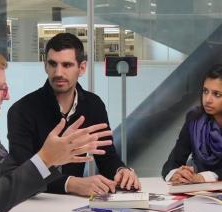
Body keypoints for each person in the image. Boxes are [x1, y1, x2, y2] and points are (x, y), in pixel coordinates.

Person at [0, 45, 111, 212]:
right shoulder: (18, 111)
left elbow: (9, 171)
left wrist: (51, 159)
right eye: (2, 89)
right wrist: (45, 159)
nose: (7, 96)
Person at [7, 33, 140, 197]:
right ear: (45, 66)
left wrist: (121, 172)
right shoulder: (21, 110)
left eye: (67, 65)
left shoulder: (93, 105)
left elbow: (106, 158)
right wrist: (71, 183)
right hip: (33, 202)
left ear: (82, 68)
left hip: (74, 203)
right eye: (53, 64)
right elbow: (22, 172)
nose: (58, 72)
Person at [162, 64, 222, 183]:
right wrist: (176, 174)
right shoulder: (194, 119)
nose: (207, 99)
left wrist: (205, 177)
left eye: (217, 94)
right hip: (197, 190)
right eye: (205, 91)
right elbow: (173, 163)